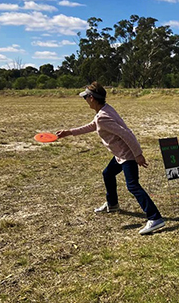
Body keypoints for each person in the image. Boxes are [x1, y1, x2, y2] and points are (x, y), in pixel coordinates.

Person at [57, 82, 165, 235]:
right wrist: (68, 132)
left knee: (132, 186)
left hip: (127, 155)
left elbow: (126, 134)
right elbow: (91, 126)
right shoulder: (104, 111)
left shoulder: (103, 116)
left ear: (92, 98)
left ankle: (155, 218)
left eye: (85, 97)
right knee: (107, 174)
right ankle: (112, 204)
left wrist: (138, 154)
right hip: (120, 155)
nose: (85, 100)